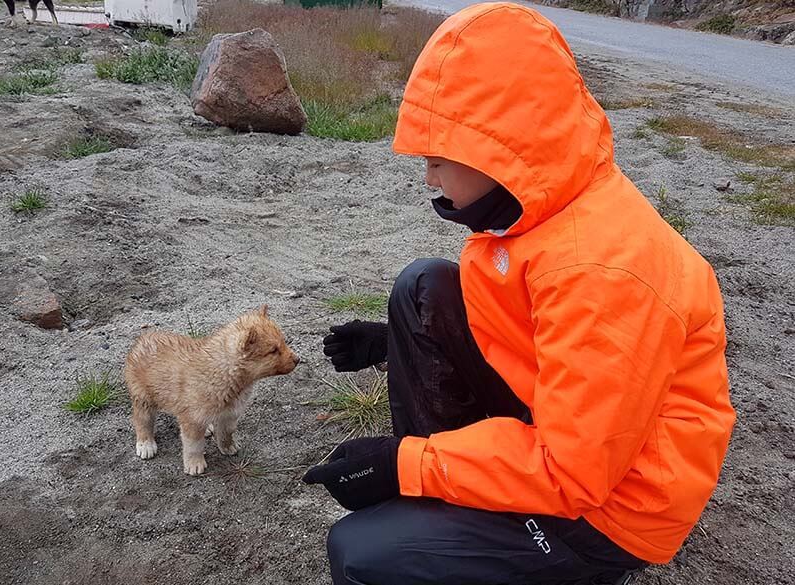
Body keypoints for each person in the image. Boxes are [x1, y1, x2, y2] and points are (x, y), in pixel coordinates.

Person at [302, 3, 736, 585]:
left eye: (437, 158)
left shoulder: (603, 271)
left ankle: (490, 528)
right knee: (423, 290)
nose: (429, 178)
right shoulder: (547, 205)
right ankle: (446, 501)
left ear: (499, 150)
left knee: (362, 555)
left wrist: (402, 464)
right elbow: (540, 338)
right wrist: (396, 342)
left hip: (610, 507)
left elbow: (574, 472)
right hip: (571, 430)